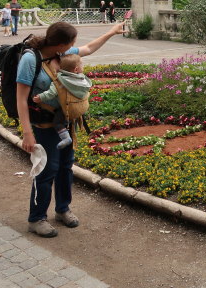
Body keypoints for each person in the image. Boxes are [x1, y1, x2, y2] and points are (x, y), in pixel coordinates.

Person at [17, 21, 125, 237]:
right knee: (46, 171)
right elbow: (21, 99)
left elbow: (89, 49)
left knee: (66, 168)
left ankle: (62, 209)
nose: (75, 46)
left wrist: (111, 32)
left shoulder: (62, 55)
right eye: (72, 43)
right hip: (44, 126)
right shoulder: (31, 59)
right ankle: (36, 218)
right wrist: (27, 133)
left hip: (65, 125)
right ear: (60, 43)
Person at [32, 53, 92, 150]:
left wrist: (40, 97)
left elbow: (50, 93)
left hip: (66, 110)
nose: (83, 67)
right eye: (82, 65)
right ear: (76, 70)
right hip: (80, 108)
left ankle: (65, 138)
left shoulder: (59, 81)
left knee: (57, 122)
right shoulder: (82, 80)